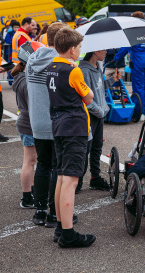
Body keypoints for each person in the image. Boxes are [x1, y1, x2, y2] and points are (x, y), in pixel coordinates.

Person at [46, 26, 95, 248]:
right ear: (72, 49)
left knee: (61, 176)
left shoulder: (52, 66)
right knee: (71, 180)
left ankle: (60, 225)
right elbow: (88, 98)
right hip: (74, 127)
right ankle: (68, 233)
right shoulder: (74, 71)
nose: (81, 51)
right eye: (80, 48)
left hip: (58, 124)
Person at [26, 22, 70, 228]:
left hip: (37, 120)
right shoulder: (60, 63)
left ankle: (40, 210)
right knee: (57, 167)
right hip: (56, 120)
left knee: (42, 164)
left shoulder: (31, 60)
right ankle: (54, 212)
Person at [78, 49, 121, 192]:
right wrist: (99, 111)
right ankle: (77, 180)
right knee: (85, 149)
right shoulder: (83, 70)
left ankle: (94, 178)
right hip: (90, 115)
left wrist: (113, 80)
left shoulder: (98, 66)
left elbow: (99, 87)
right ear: (96, 51)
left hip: (99, 115)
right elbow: (85, 97)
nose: (106, 52)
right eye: (104, 50)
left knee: (97, 148)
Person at [12, 41, 45, 208]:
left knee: (31, 161)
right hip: (30, 124)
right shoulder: (27, 81)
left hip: (26, 123)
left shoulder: (21, 77)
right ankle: (27, 197)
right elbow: (35, 106)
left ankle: (29, 194)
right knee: (31, 161)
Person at [115, 11, 145, 120]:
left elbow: (125, 48)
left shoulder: (133, 31)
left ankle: (139, 112)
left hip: (138, 62)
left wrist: (116, 58)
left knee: (138, 88)